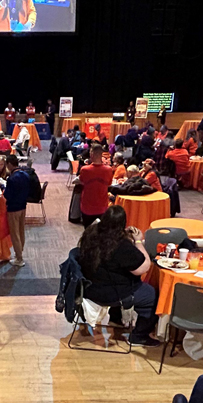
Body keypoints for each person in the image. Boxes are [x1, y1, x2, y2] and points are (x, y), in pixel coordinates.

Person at [76, 204, 160, 346]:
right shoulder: (120, 246)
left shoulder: (90, 232)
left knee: (114, 275)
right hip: (110, 293)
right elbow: (143, 267)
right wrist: (138, 241)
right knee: (152, 296)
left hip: (88, 288)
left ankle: (116, 318)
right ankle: (139, 336)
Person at [4, 156, 31, 267]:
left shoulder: (11, 179)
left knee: (15, 234)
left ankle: (19, 258)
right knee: (21, 231)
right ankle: (20, 253)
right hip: (23, 206)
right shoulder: (26, 175)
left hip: (13, 208)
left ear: (10, 164)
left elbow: (7, 195)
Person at [79, 143, 113, 227]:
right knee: (101, 233)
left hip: (87, 207)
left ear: (92, 154)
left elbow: (81, 181)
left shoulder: (84, 169)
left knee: (88, 231)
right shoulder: (109, 170)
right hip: (102, 207)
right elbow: (109, 184)